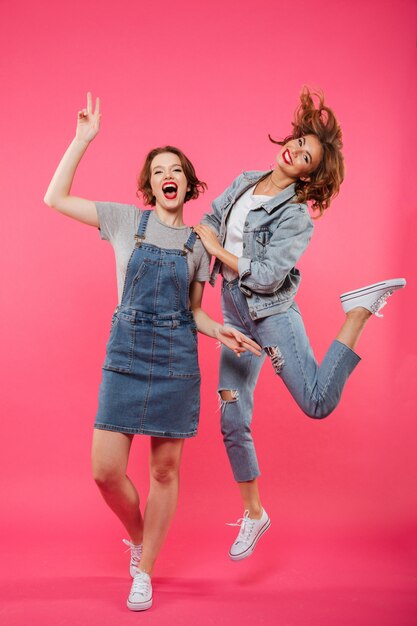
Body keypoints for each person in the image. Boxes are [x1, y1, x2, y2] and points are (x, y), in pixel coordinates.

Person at [44, 92, 261, 611]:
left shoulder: (196, 245)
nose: (168, 175)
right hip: (126, 355)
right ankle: (140, 537)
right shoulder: (124, 222)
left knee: (164, 471)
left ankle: (144, 571)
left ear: (187, 183)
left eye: (176, 169)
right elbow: (54, 199)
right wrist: (81, 140)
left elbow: (193, 311)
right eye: (158, 170)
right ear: (151, 186)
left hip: (175, 362)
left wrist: (219, 332)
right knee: (104, 471)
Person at [194, 87, 406, 562]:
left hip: (271, 319)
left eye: (306, 156)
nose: (295, 151)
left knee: (315, 402)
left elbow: (267, 278)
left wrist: (217, 250)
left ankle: (357, 313)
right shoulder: (245, 181)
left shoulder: (296, 218)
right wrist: (191, 260)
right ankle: (254, 514)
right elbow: (208, 221)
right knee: (231, 416)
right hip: (233, 315)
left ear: (310, 174)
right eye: (299, 141)